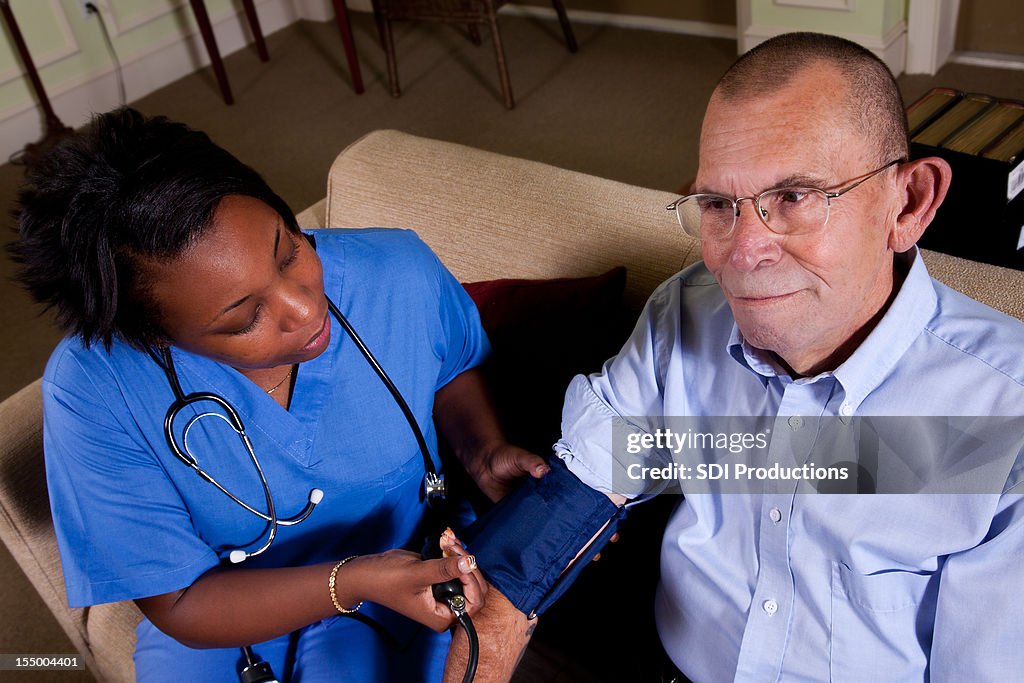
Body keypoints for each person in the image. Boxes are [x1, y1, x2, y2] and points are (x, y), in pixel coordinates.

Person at [450, 32, 1024, 681]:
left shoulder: (1006, 420)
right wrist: (490, 627)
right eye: (719, 204)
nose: (743, 253)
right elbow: (586, 480)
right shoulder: (685, 310)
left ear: (909, 202)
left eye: (795, 198)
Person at [10, 108, 549, 681]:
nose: (305, 308)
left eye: (289, 250)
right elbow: (179, 603)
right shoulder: (94, 389)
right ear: (152, 335)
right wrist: (353, 580)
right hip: (228, 609)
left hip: (415, 569)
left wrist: (480, 449)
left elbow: (449, 364)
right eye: (244, 318)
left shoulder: (395, 270)